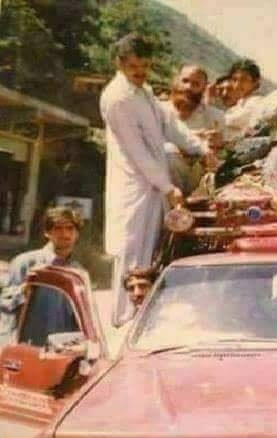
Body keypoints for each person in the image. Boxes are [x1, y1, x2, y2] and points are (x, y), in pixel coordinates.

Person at [100, 33, 208, 327]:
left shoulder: (144, 90)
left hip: (154, 185)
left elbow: (170, 125)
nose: (141, 72)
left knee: (154, 251)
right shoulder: (117, 98)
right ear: (119, 63)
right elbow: (137, 152)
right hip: (134, 186)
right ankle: (124, 322)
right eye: (134, 66)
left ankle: (144, 322)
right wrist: (168, 187)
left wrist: (201, 148)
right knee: (133, 253)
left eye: (145, 66)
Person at [1, 206, 84, 339]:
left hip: (61, 347)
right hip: (28, 344)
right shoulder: (26, 262)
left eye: (70, 228)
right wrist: (24, 291)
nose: (65, 234)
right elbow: (5, 301)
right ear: (47, 232)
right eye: (58, 228)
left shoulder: (77, 271)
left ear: (77, 233)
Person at [169, 66, 225, 147]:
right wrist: (193, 137)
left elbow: (216, 148)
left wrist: (217, 144)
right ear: (176, 81)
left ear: (203, 89)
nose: (188, 87)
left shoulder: (215, 117)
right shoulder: (159, 109)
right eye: (185, 81)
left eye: (196, 84)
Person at [224, 59, 264, 140]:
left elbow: (234, 120)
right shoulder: (239, 104)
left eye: (244, 79)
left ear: (255, 82)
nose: (237, 85)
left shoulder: (257, 102)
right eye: (234, 79)